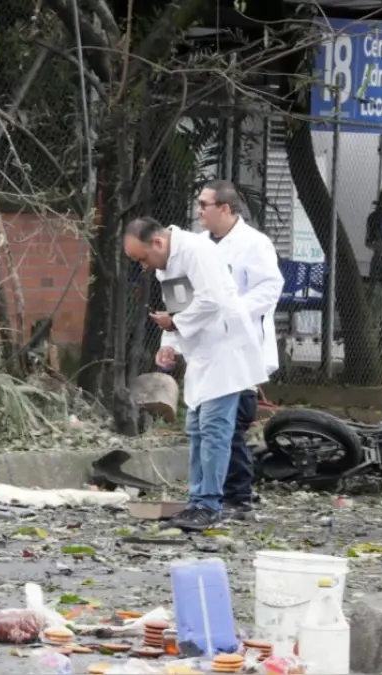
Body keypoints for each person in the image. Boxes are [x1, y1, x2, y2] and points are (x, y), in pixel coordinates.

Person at [124, 217, 270, 531]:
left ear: (158, 243)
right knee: (197, 428)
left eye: (142, 258)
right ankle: (196, 502)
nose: (144, 266)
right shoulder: (167, 263)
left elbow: (211, 301)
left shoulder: (196, 251)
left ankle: (209, 504)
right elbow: (178, 307)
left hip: (226, 348)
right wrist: (170, 344)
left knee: (215, 428)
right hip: (204, 354)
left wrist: (175, 326)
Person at [193, 180, 284, 517]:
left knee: (230, 425)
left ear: (226, 209)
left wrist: (234, 311)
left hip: (241, 345)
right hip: (208, 346)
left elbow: (270, 287)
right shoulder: (198, 245)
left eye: (205, 205)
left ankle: (238, 498)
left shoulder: (254, 244)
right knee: (210, 424)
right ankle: (217, 492)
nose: (199, 211)